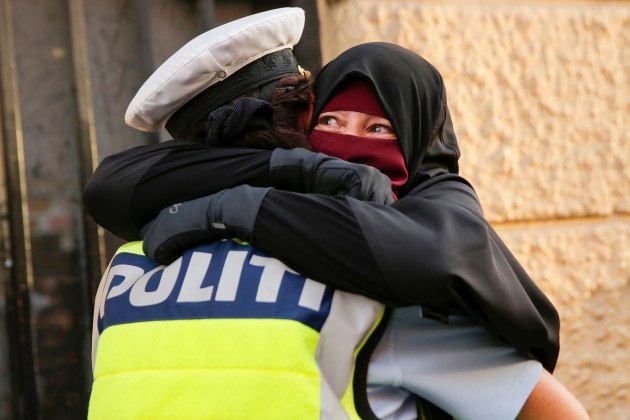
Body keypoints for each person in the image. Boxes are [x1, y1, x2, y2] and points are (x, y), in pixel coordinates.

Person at [85, 10, 588, 420]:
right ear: (303, 121)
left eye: (377, 129)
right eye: (328, 119)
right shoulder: (369, 277)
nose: (346, 146)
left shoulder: (127, 267)